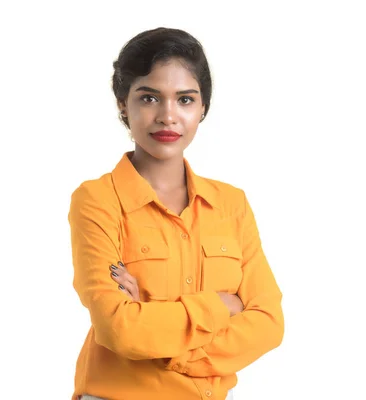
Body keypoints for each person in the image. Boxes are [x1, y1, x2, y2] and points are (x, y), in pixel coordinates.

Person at [68, 27, 284, 400]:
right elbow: (120, 330)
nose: (168, 116)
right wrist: (221, 304)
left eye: (185, 100)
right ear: (123, 103)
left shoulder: (231, 204)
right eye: (150, 97)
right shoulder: (98, 200)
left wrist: (170, 350)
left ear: (203, 108)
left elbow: (268, 324)